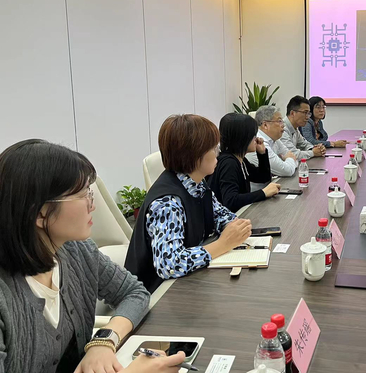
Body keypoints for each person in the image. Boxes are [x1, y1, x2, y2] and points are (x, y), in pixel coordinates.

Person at [0, 139, 185, 373]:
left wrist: (104, 340)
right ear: (40, 213)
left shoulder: (76, 251)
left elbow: (134, 293)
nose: (92, 205)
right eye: (82, 195)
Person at [125, 114, 252, 293]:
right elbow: (170, 265)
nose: (218, 152)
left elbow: (221, 216)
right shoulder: (167, 203)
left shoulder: (197, 184)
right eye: (213, 148)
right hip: (157, 294)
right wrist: (222, 244)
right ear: (194, 155)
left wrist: (235, 228)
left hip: (188, 282)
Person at [209, 113, 281, 213]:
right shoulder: (229, 163)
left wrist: (262, 154)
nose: (257, 139)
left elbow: (263, 177)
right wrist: (263, 193)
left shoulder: (240, 159)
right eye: (253, 135)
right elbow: (230, 201)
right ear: (242, 138)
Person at [246, 105, 298, 179]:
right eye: (279, 121)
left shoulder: (275, 139)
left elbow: (294, 157)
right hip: (261, 186)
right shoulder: (259, 142)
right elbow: (287, 171)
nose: (283, 125)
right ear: (265, 125)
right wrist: (289, 159)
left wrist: (289, 160)